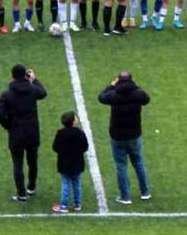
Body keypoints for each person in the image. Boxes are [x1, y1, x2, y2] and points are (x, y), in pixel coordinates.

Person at [98, 71, 151, 205]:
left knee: (121, 165)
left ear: (119, 81)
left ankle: (125, 196)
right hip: (134, 134)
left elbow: (101, 97)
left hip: (118, 136)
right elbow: (147, 98)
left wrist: (111, 85)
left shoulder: (114, 95)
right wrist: (135, 86)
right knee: (138, 162)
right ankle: (145, 192)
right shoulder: (137, 94)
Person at [0, 64, 48, 201]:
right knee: (33, 161)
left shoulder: (7, 95)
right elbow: (43, 93)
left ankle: (21, 193)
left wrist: (8, 126)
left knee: (17, 164)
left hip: (16, 133)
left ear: (12, 76)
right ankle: (31, 187)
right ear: (26, 75)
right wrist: (34, 80)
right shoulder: (32, 89)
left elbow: (0, 115)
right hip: (32, 132)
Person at [51, 111, 88, 213]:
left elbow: (55, 147)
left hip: (64, 163)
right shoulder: (80, 133)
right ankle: (77, 204)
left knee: (66, 183)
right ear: (73, 122)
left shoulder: (60, 133)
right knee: (76, 183)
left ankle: (63, 206)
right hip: (77, 162)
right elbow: (85, 147)